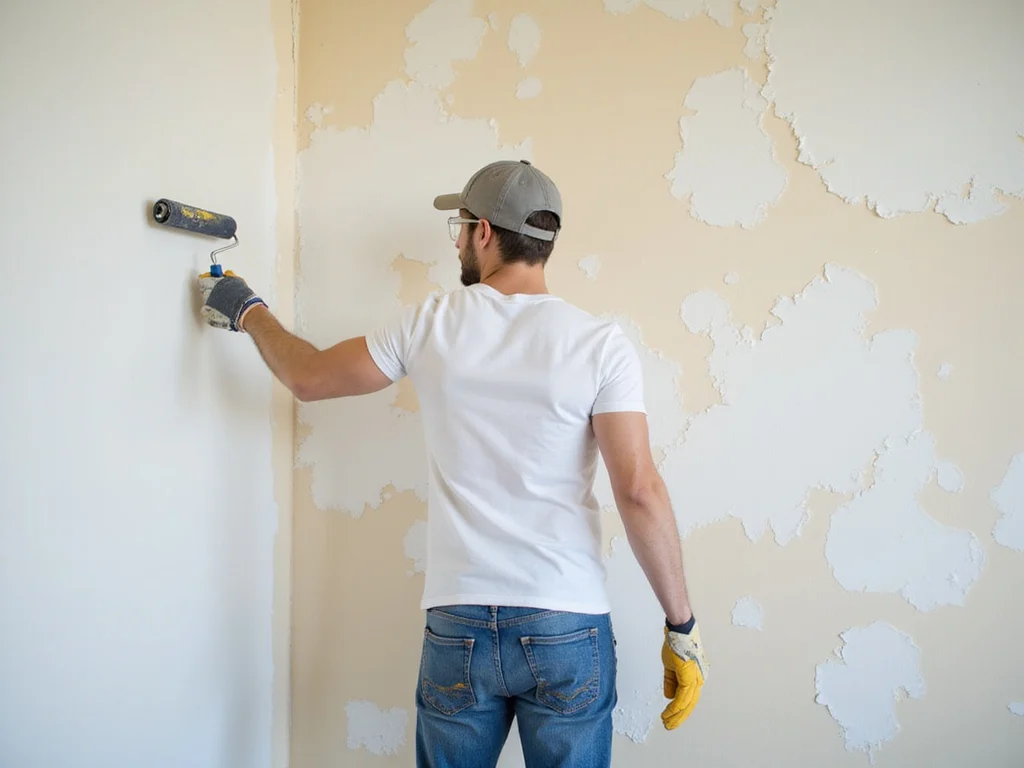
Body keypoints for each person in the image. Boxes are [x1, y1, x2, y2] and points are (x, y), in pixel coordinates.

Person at [198, 159, 708, 767]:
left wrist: (247, 308)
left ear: (485, 233)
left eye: (461, 227)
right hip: (566, 620)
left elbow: (308, 378)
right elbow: (640, 490)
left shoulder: (429, 324)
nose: (459, 242)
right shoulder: (600, 344)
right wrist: (682, 628)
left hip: (460, 620)